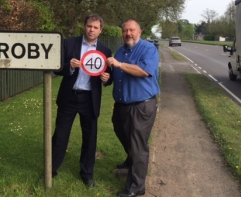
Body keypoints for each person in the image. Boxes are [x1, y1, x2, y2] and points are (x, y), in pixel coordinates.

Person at [52, 14, 112, 188]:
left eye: (95, 27)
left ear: (100, 30)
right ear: (84, 26)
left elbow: (109, 76)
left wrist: (107, 78)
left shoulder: (105, 51)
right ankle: (51, 169)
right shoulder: (69, 43)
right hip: (69, 96)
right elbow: (57, 68)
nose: (91, 30)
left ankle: (87, 174)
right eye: (89, 26)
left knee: (90, 138)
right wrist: (69, 66)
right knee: (60, 135)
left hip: (89, 99)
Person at [106, 19, 160, 197]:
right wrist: (108, 78)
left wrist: (119, 65)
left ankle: (136, 187)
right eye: (125, 31)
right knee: (121, 132)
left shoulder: (148, 49)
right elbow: (116, 74)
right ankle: (131, 160)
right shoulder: (121, 50)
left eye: (131, 30)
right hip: (121, 105)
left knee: (138, 145)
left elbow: (143, 71)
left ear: (139, 32)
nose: (128, 33)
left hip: (141, 106)